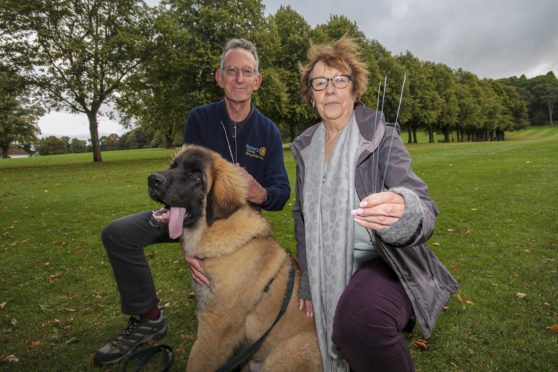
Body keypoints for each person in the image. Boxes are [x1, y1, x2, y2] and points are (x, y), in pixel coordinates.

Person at [94, 38, 291, 366]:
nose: (239, 78)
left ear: (257, 81)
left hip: (234, 231)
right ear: (220, 77)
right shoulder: (200, 118)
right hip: (185, 216)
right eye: (232, 71)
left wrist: (260, 193)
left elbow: (281, 194)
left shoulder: (268, 131)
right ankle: (148, 318)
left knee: (229, 322)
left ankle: (241, 332)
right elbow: (182, 183)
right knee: (117, 233)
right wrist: (189, 244)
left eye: (247, 72)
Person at [290, 37, 458, 372]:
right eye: (319, 83)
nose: (330, 89)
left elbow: (423, 206)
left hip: (385, 261)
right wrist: (309, 276)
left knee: (359, 322)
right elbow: (302, 218)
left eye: (340, 80)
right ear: (311, 97)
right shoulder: (305, 149)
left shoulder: (381, 135)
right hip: (325, 270)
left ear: (355, 90)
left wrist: (403, 209)